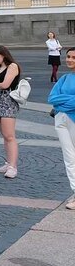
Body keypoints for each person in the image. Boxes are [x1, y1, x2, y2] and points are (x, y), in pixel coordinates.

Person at [46, 47, 75, 210]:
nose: (69, 59)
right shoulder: (64, 78)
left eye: (73, 57)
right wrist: (69, 101)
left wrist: (63, 102)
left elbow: (59, 100)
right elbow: (52, 98)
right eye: (68, 56)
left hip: (72, 119)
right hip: (60, 120)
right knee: (69, 158)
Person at [0, 45, 22, 179]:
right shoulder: (0, 67)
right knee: (5, 135)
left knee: (10, 136)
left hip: (8, 101)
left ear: (3, 55)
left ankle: (13, 166)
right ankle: (8, 162)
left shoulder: (12, 66)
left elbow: (5, 84)